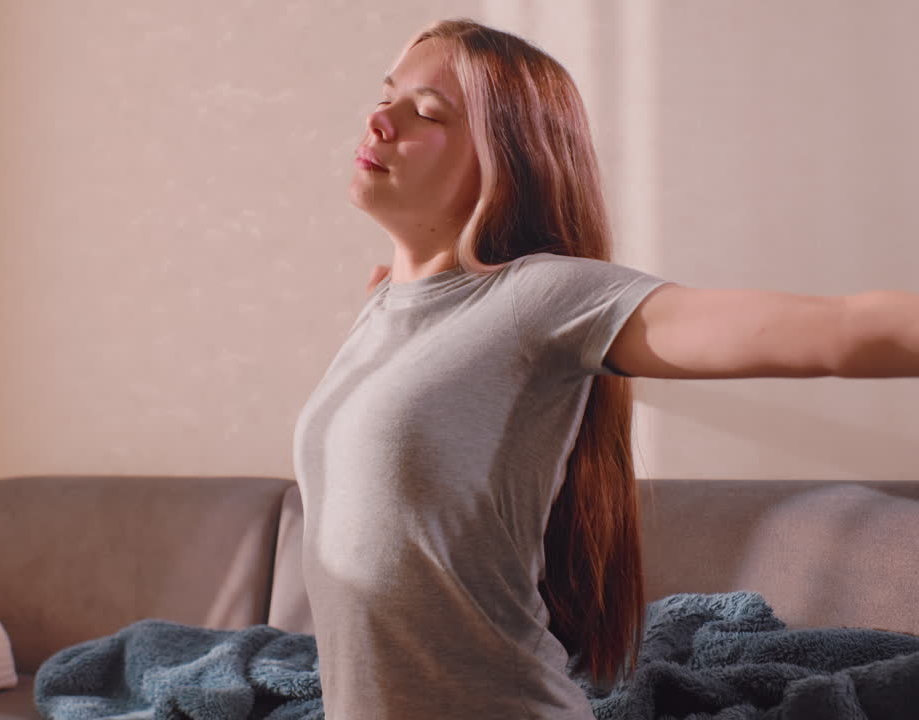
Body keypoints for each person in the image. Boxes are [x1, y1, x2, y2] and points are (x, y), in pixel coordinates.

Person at [291, 17, 919, 720]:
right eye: (388, 94)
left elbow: (833, 331)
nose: (379, 119)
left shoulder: (542, 295)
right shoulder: (384, 309)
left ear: (508, 161)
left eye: (428, 111)